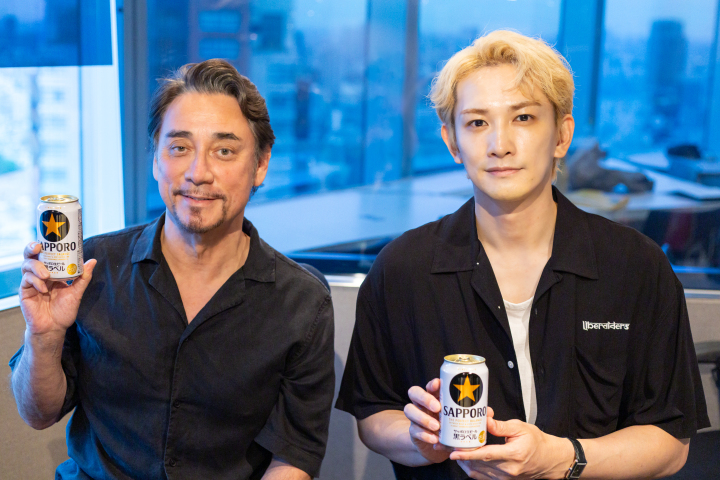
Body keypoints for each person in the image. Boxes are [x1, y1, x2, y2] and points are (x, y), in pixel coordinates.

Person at [336, 31, 709, 479]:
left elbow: (670, 442)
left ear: (562, 135)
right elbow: (374, 413)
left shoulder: (635, 266)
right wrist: (418, 439)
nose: (500, 144)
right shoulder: (402, 268)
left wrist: (561, 458)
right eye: (477, 123)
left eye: (524, 117)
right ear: (452, 143)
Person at [12, 59, 335, 480]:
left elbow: (293, 458)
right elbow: (38, 413)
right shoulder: (91, 268)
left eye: (224, 151)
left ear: (260, 164)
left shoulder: (302, 301)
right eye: (179, 148)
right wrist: (44, 335)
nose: (198, 173)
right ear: (156, 160)